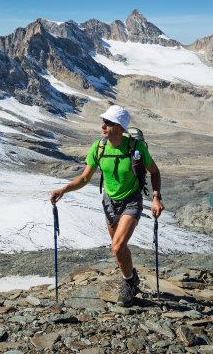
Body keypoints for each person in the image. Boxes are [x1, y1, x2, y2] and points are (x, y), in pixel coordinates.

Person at [50, 105, 164, 307]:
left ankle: (128, 282)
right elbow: (85, 178)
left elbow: (154, 172)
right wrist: (63, 190)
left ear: (120, 127)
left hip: (132, 200)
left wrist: (156, 198)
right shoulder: (99, 147)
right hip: (109, 202)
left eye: (109, 123)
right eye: (104, 121)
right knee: (120, 250)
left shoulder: (136, 148)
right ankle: (132, 276)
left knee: (117, 246)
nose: (103, 125)